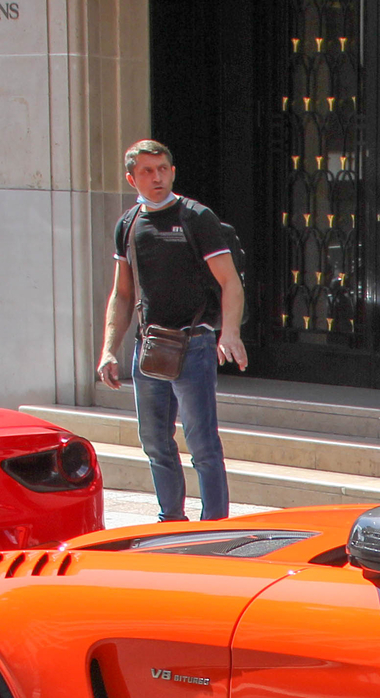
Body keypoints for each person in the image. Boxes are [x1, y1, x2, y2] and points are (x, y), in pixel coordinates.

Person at [95, 140, 246, 522]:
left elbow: (230, 281)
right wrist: (109, 349)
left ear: (173, 171)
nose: (157, 176)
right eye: (147, 171)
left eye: (163, 168)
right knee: (156, 443)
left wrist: (229, 333)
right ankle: (171, 521)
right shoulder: (128, 224)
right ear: (132, 178)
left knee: (202, 445)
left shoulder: (197, 217)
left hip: (193, 344)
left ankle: (214, 525)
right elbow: (122, 293)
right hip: (149, 348)